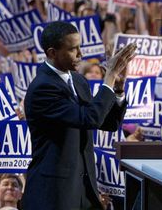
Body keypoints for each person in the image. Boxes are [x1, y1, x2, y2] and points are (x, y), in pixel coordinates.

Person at [22, 21, 136, 210]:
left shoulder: (78, 80)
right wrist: (109, 76)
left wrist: (117, 88)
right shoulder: (42, 88)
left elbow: (107, 123)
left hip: (84, 191)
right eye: (73, 49)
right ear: (52, 53)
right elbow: (89, 118)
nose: (80, 54)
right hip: (54, 195)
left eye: (79, 47)